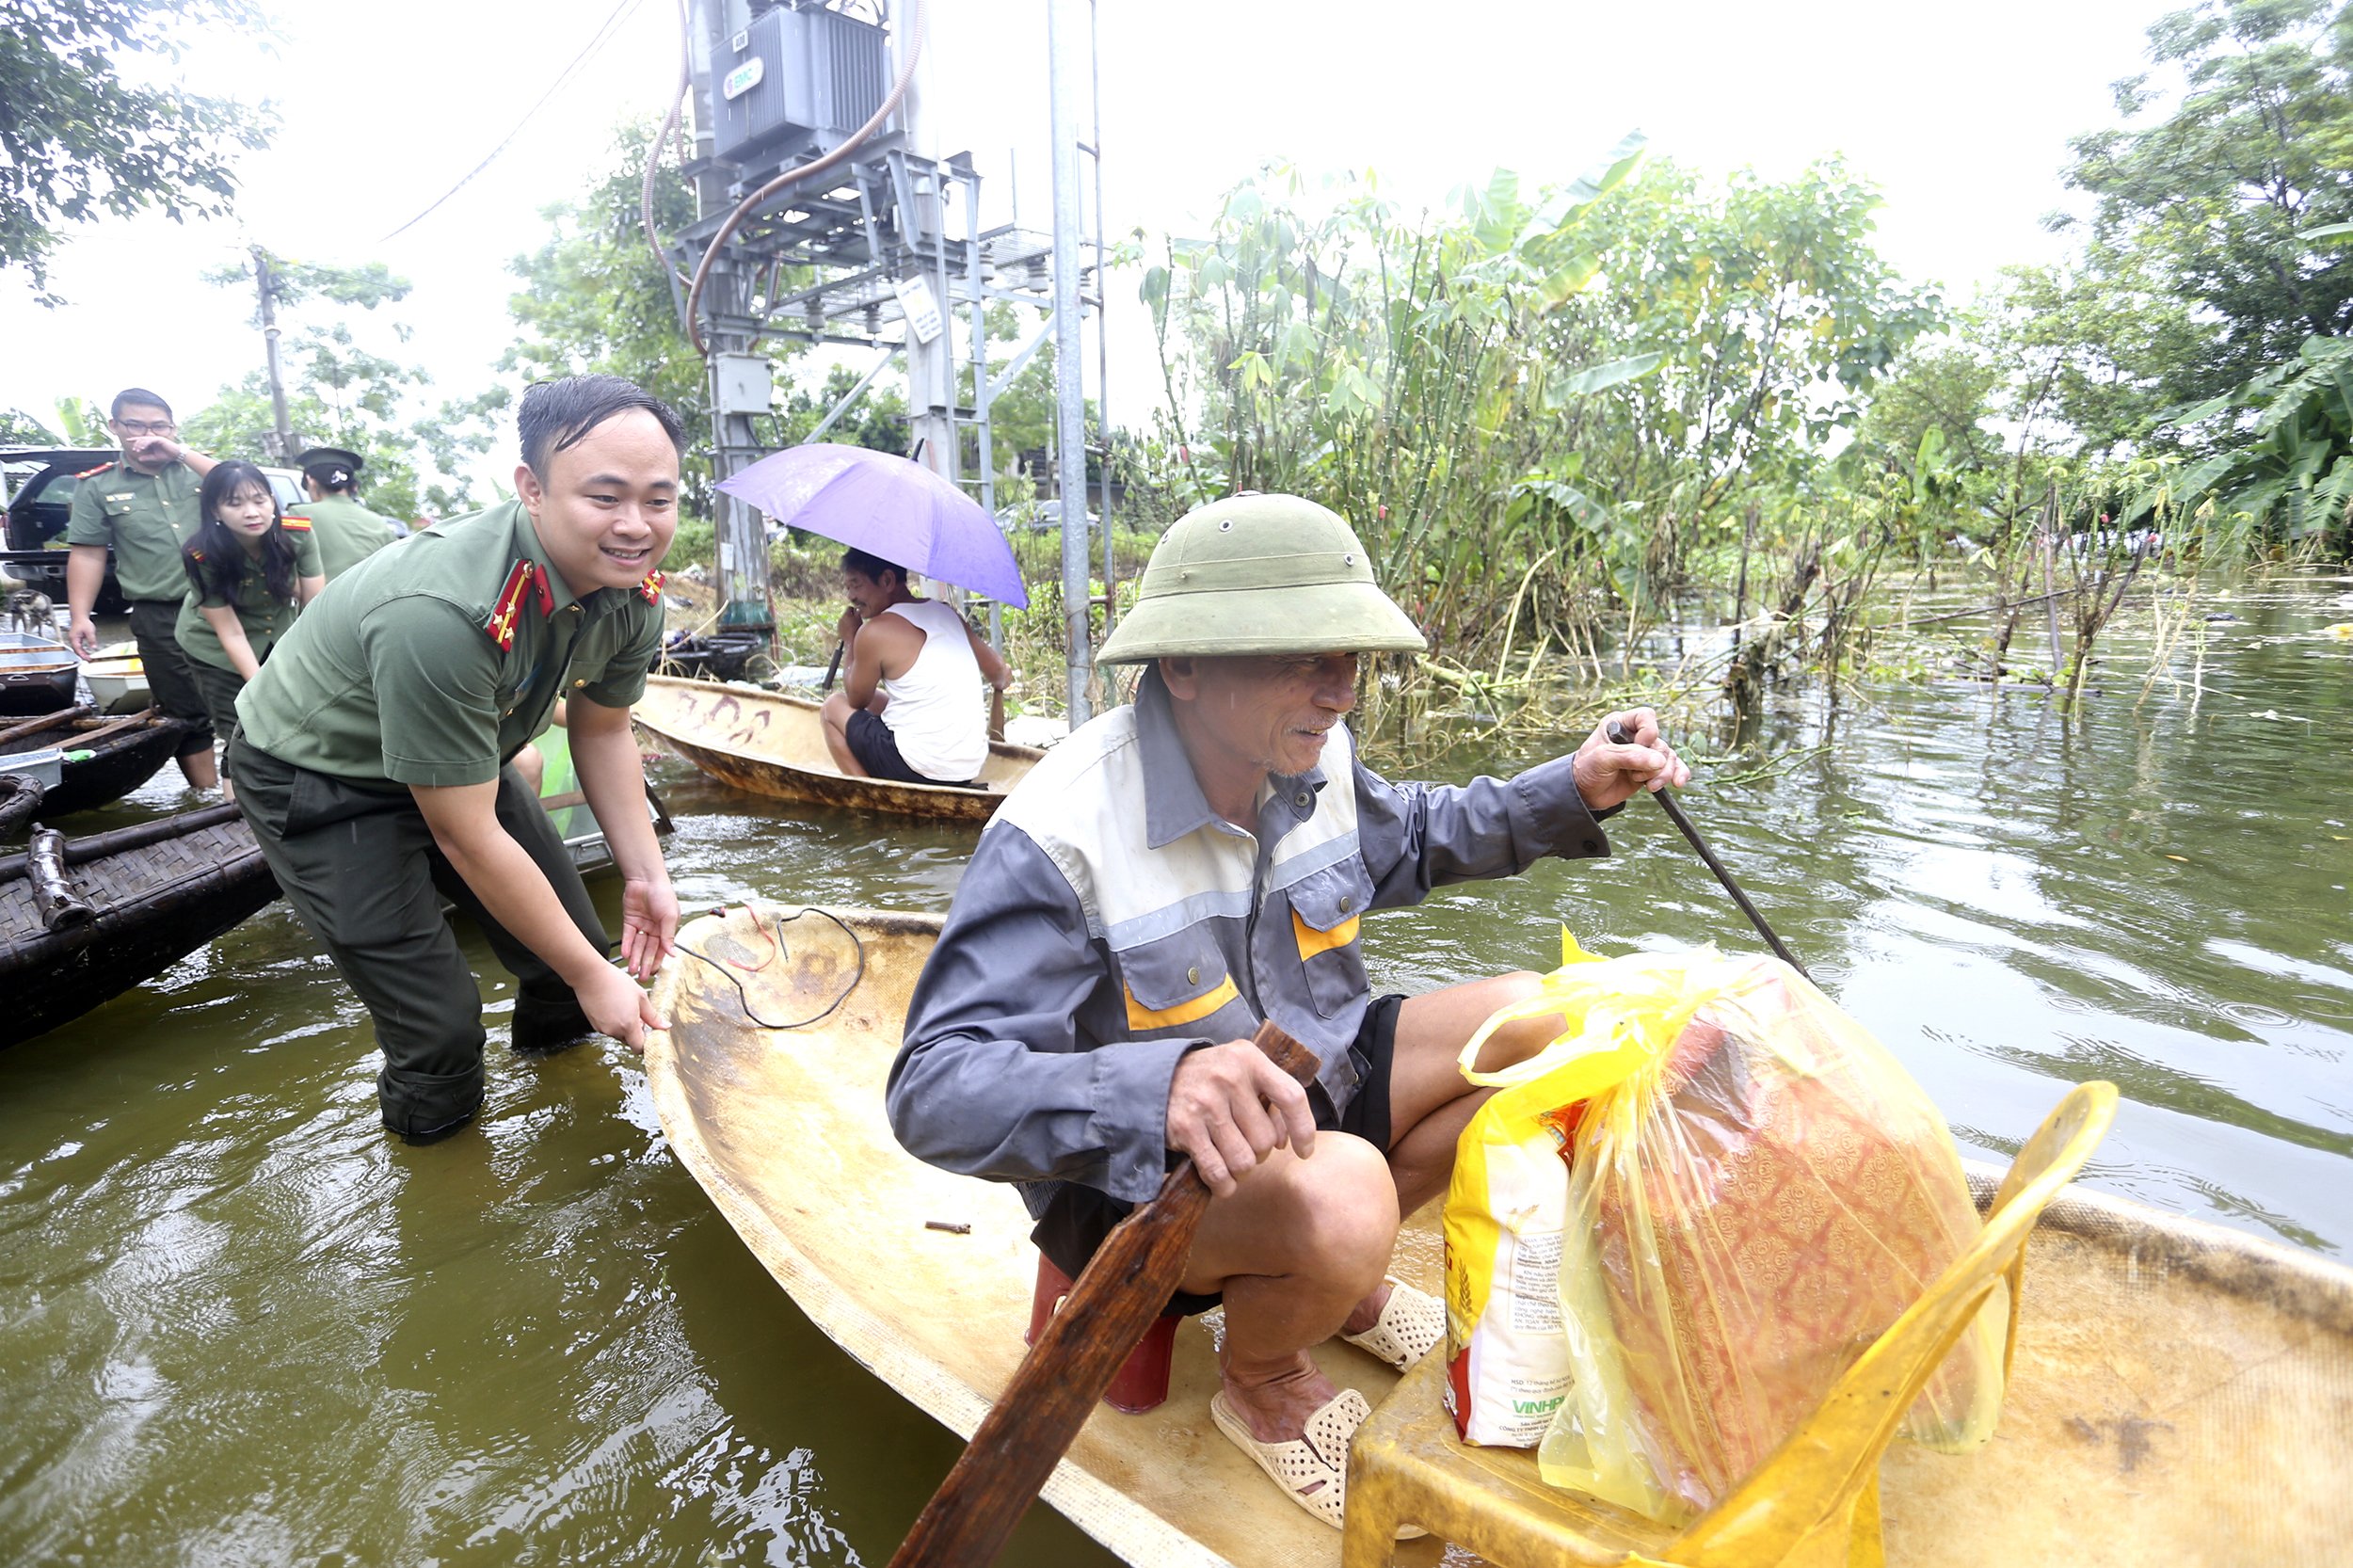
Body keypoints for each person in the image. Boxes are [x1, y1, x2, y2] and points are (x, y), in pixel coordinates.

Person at [886, 493, 1688, 1532]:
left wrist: (1573, 786)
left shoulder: (1312, 755)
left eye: (1348, 658)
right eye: (1304, 658)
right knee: (1346, 1195)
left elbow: (1416, 837)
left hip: (1313, 1093)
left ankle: (1330, 1281)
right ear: (1184, 666)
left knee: (1551, 1025)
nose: (1339, 690)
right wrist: (1161, 1087)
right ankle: (1262, 1374)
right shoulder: (1062, 829)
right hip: (1149, 1182)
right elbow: (933, 1086)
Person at [226, 375, 684, 1143]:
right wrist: (591, 975)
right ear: (532, 488)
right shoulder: (442, 612)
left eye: (659, 500)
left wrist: (647, 876)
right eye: (605, 498)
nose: (635, 526)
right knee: (438, 1031)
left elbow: (603, 731)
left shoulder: (633, 592)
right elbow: (466, 835)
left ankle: (563, 1105)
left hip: (464, 762)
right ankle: (438, 1171)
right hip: (321, 774)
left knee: (573, 962)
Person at [62, 387, 222, 789]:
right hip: (159, 613)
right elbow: (88, 554)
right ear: (115, 426)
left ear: (173, 429)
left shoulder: (198, 470)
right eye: (136, 425)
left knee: (251, 694)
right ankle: (209, 801)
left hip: (229, 603)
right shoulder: (97, 486)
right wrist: (80, 616)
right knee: (184, 710)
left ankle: (254, 790)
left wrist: (179, 452)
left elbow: (241, 483)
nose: (148, 436)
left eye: (159, 427)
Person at [175, 461, 326, 798]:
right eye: (235, 503)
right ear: (215, 509)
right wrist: (259, 688)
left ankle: (293, 800)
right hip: (216, 648)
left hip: (277, 634)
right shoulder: (201, 554)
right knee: (242, 726)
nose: (251, 512)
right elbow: (230, 633)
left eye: (259, 500)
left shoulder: (297, 533)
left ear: (272, 500)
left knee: (296, 717)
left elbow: (314, 610)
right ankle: (234, 813)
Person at [819, 547, 1011, 786]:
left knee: (832, 707)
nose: (850, 596)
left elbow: (855, 699)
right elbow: (1000, 674)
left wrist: (850, 638)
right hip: (967, 768)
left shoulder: (874, 631)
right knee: (876, 700)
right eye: (847, 587)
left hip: (917, 767)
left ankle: (870, 795)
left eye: (856, 585)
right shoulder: (947, 614)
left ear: (887, 580)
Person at [291, 445, 403, 580]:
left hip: (322, 594)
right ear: (353, 486)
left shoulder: (299, 516)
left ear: (310, 481)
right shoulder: (379, 522)